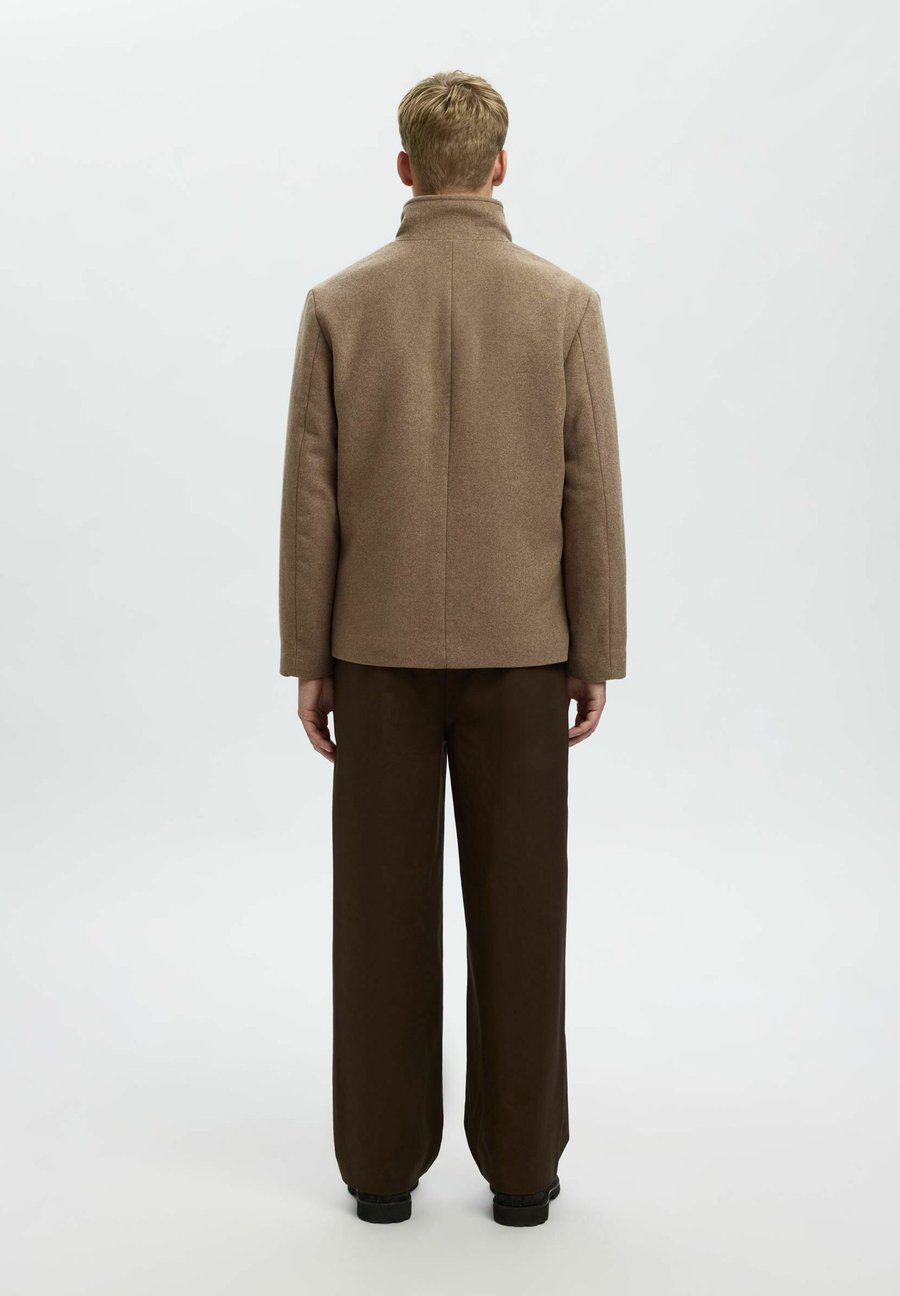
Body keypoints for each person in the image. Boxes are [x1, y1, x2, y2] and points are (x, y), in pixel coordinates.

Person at [278, 69, 626, 1227]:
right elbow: (590, 491)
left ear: (405, 168)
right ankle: (522, 1175)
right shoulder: (563, 304)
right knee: (524, 913)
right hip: (524, 650)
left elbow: (312, 496)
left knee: (378, 916)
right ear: (500, 166)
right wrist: (595, 649)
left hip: (374, 652)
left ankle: (380, 1172)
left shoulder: (339, 303)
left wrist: (310, 655)